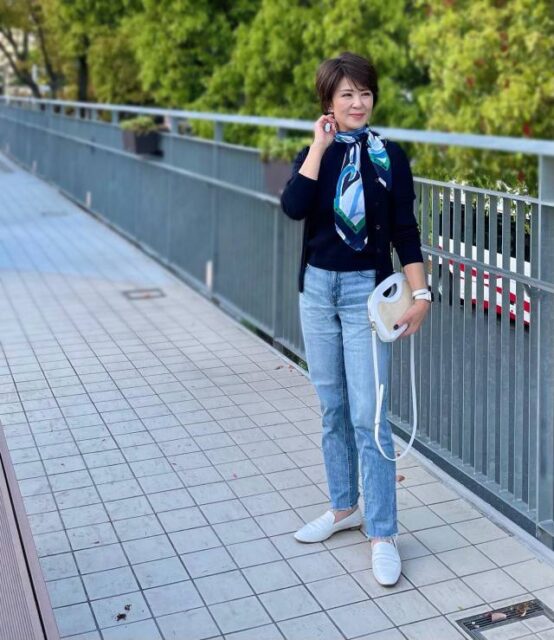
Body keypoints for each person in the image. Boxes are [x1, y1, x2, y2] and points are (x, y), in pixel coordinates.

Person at [280, 52, 430, 586]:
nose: (358, 103)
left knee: (370, 415)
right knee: (333, 408)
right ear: (329, 101)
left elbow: (405, 229)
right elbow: (294, 206)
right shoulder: (313, 155)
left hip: (366, 294)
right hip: (318, 291)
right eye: (346, 94)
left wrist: (421, 293)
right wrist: (319, 146)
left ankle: (383, 532)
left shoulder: (390, 157)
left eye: (364, 93)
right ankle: (344, 507)